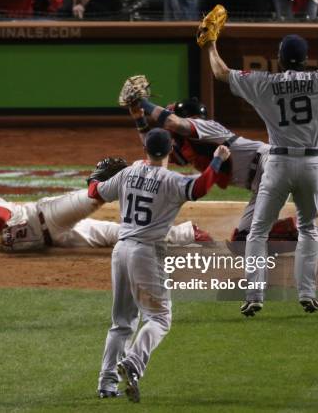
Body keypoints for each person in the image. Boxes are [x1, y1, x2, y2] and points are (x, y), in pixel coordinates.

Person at [205, 31, 318, 316]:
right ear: (306, 59)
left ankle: (254, 296)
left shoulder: (265, 83)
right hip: (312, 164)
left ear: (280, 59)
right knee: (308, 227)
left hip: (278, 163)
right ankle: (307, 294)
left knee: (258, 232)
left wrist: (210, 44)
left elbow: (220, 72)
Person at [128, 96, 318, 255]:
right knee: (241, 243)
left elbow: (172, 124)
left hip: (269, 161)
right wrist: (139, 116)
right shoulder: (188, 147)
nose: (169, 119)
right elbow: (155, 148)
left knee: (305, 174)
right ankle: (297, 230)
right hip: (258, 182)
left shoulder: (206, 128)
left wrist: (144, 102)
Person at [91, 128, 230, 402]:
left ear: (146, 150)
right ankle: (133, 362)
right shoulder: (170, 179)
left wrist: (93, 178)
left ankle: (106, 384)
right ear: (170, 151)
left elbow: (96, 192)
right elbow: (200, 188)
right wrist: (218, 159)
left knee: (121, 323)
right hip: (146, 253)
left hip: (121, 251)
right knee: (160, 318)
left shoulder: (127, 172)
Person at [0, 189, 209, 254]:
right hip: (62, 239)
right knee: (123, 237)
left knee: (94, 196)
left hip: (49, 215)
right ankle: (187, 233)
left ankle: (124, 179)